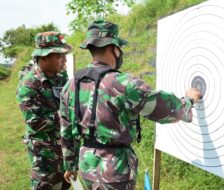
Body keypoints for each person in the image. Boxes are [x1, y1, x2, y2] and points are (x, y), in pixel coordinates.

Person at [60, 20, 201, 190]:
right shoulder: (121, 83)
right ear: (115, 49)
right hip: (114, 171)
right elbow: (164, 109)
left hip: (87, 166)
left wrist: (70, 164)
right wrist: (188, 101)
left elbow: (66, 128)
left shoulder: (71, 84)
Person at [16, 31, 72, 190]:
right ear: (44, 57)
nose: (64, 60)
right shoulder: (29, 85)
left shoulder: (60, 78)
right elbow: (36, 122)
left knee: (64, 186)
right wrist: (68, 114)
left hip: (63, 152)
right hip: (44, 158)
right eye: (59, 56)